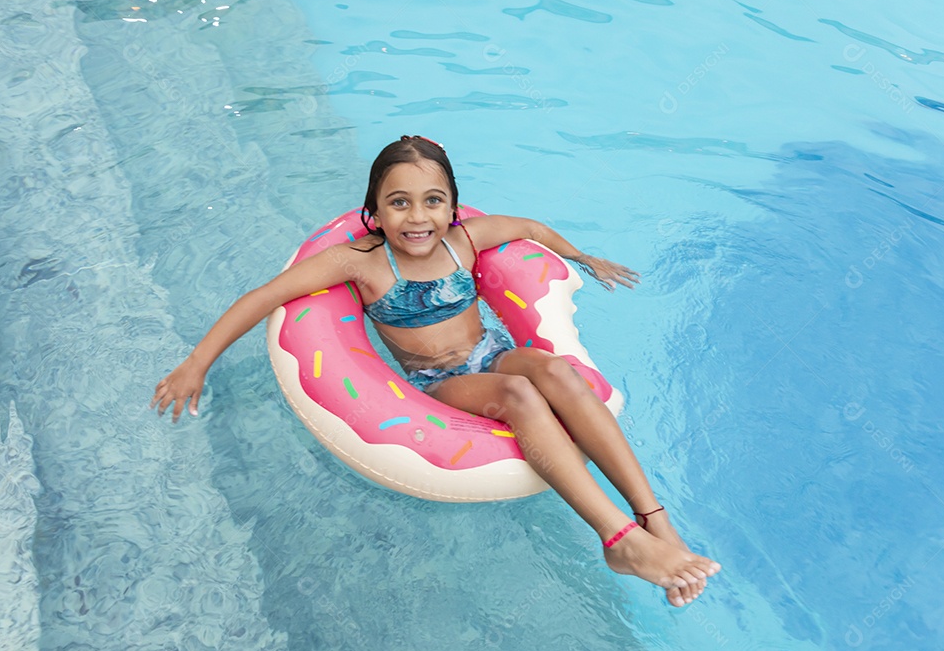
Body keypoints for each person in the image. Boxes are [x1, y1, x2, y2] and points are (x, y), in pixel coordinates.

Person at [151, 135, 721, 606]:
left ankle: (655, 520)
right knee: (520, 395)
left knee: (557, 373)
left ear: (452, 206)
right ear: (372, 212)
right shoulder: (359, 262)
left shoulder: (465, 241)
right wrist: (196, 363)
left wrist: (581, 256)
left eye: (432, 201)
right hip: (439, 380)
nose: (417, 216)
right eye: (398, 203)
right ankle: (617, 537)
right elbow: (262, 296)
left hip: (491, 351)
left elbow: (529, 228)